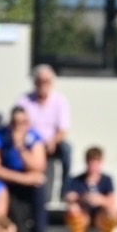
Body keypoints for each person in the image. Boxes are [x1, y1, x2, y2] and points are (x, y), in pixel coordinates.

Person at [0, 105, 49, 232]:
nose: (19, 127)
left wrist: (21, 147)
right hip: (9, 181)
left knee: (39, 188)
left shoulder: (33, 137)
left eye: (23, 123)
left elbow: (39, 167)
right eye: (16, 123)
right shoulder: (0, 136)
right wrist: (23, 179)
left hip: (27, 182)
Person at [21, 65, 72, 194]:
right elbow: (19, 125)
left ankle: (65, 190)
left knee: (67, 149)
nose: (43, 84)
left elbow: (64, 129)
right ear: (35, 82)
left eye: (47, 81)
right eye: (40, 81)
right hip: (31, 143)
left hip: (52, 143)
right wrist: (36, 143)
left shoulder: (60, 101)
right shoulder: (25, 101)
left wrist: (54, 141)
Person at [63, 146, 117, 232]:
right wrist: (82, 198)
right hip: (85, 215)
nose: (93, 167)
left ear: (101, 162)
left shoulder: (106, 179)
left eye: (96, 163)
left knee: (113, 211)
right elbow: (69, 197)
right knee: (73, 208)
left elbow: (113, 200)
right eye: (91, 163)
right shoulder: (77, 180)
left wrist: (100, 200)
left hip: (100, 216)